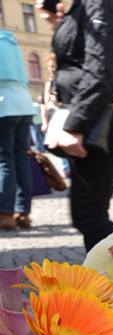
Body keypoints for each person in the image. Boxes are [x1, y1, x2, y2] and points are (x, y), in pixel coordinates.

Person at [40, 0, 113, 251]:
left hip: (104, 124)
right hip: (96, 121)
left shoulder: (101, 4)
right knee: (88, 214)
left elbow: (100, 68)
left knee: (89, 215)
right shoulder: (86, 6)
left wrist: (76, 125)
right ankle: (111, 278)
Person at [0, 30, 35, 231]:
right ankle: (23, 212)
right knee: (20, 158)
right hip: (23, 102)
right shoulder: (10, 40)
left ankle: (5, 213)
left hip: (4, 103)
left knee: (5, 159)